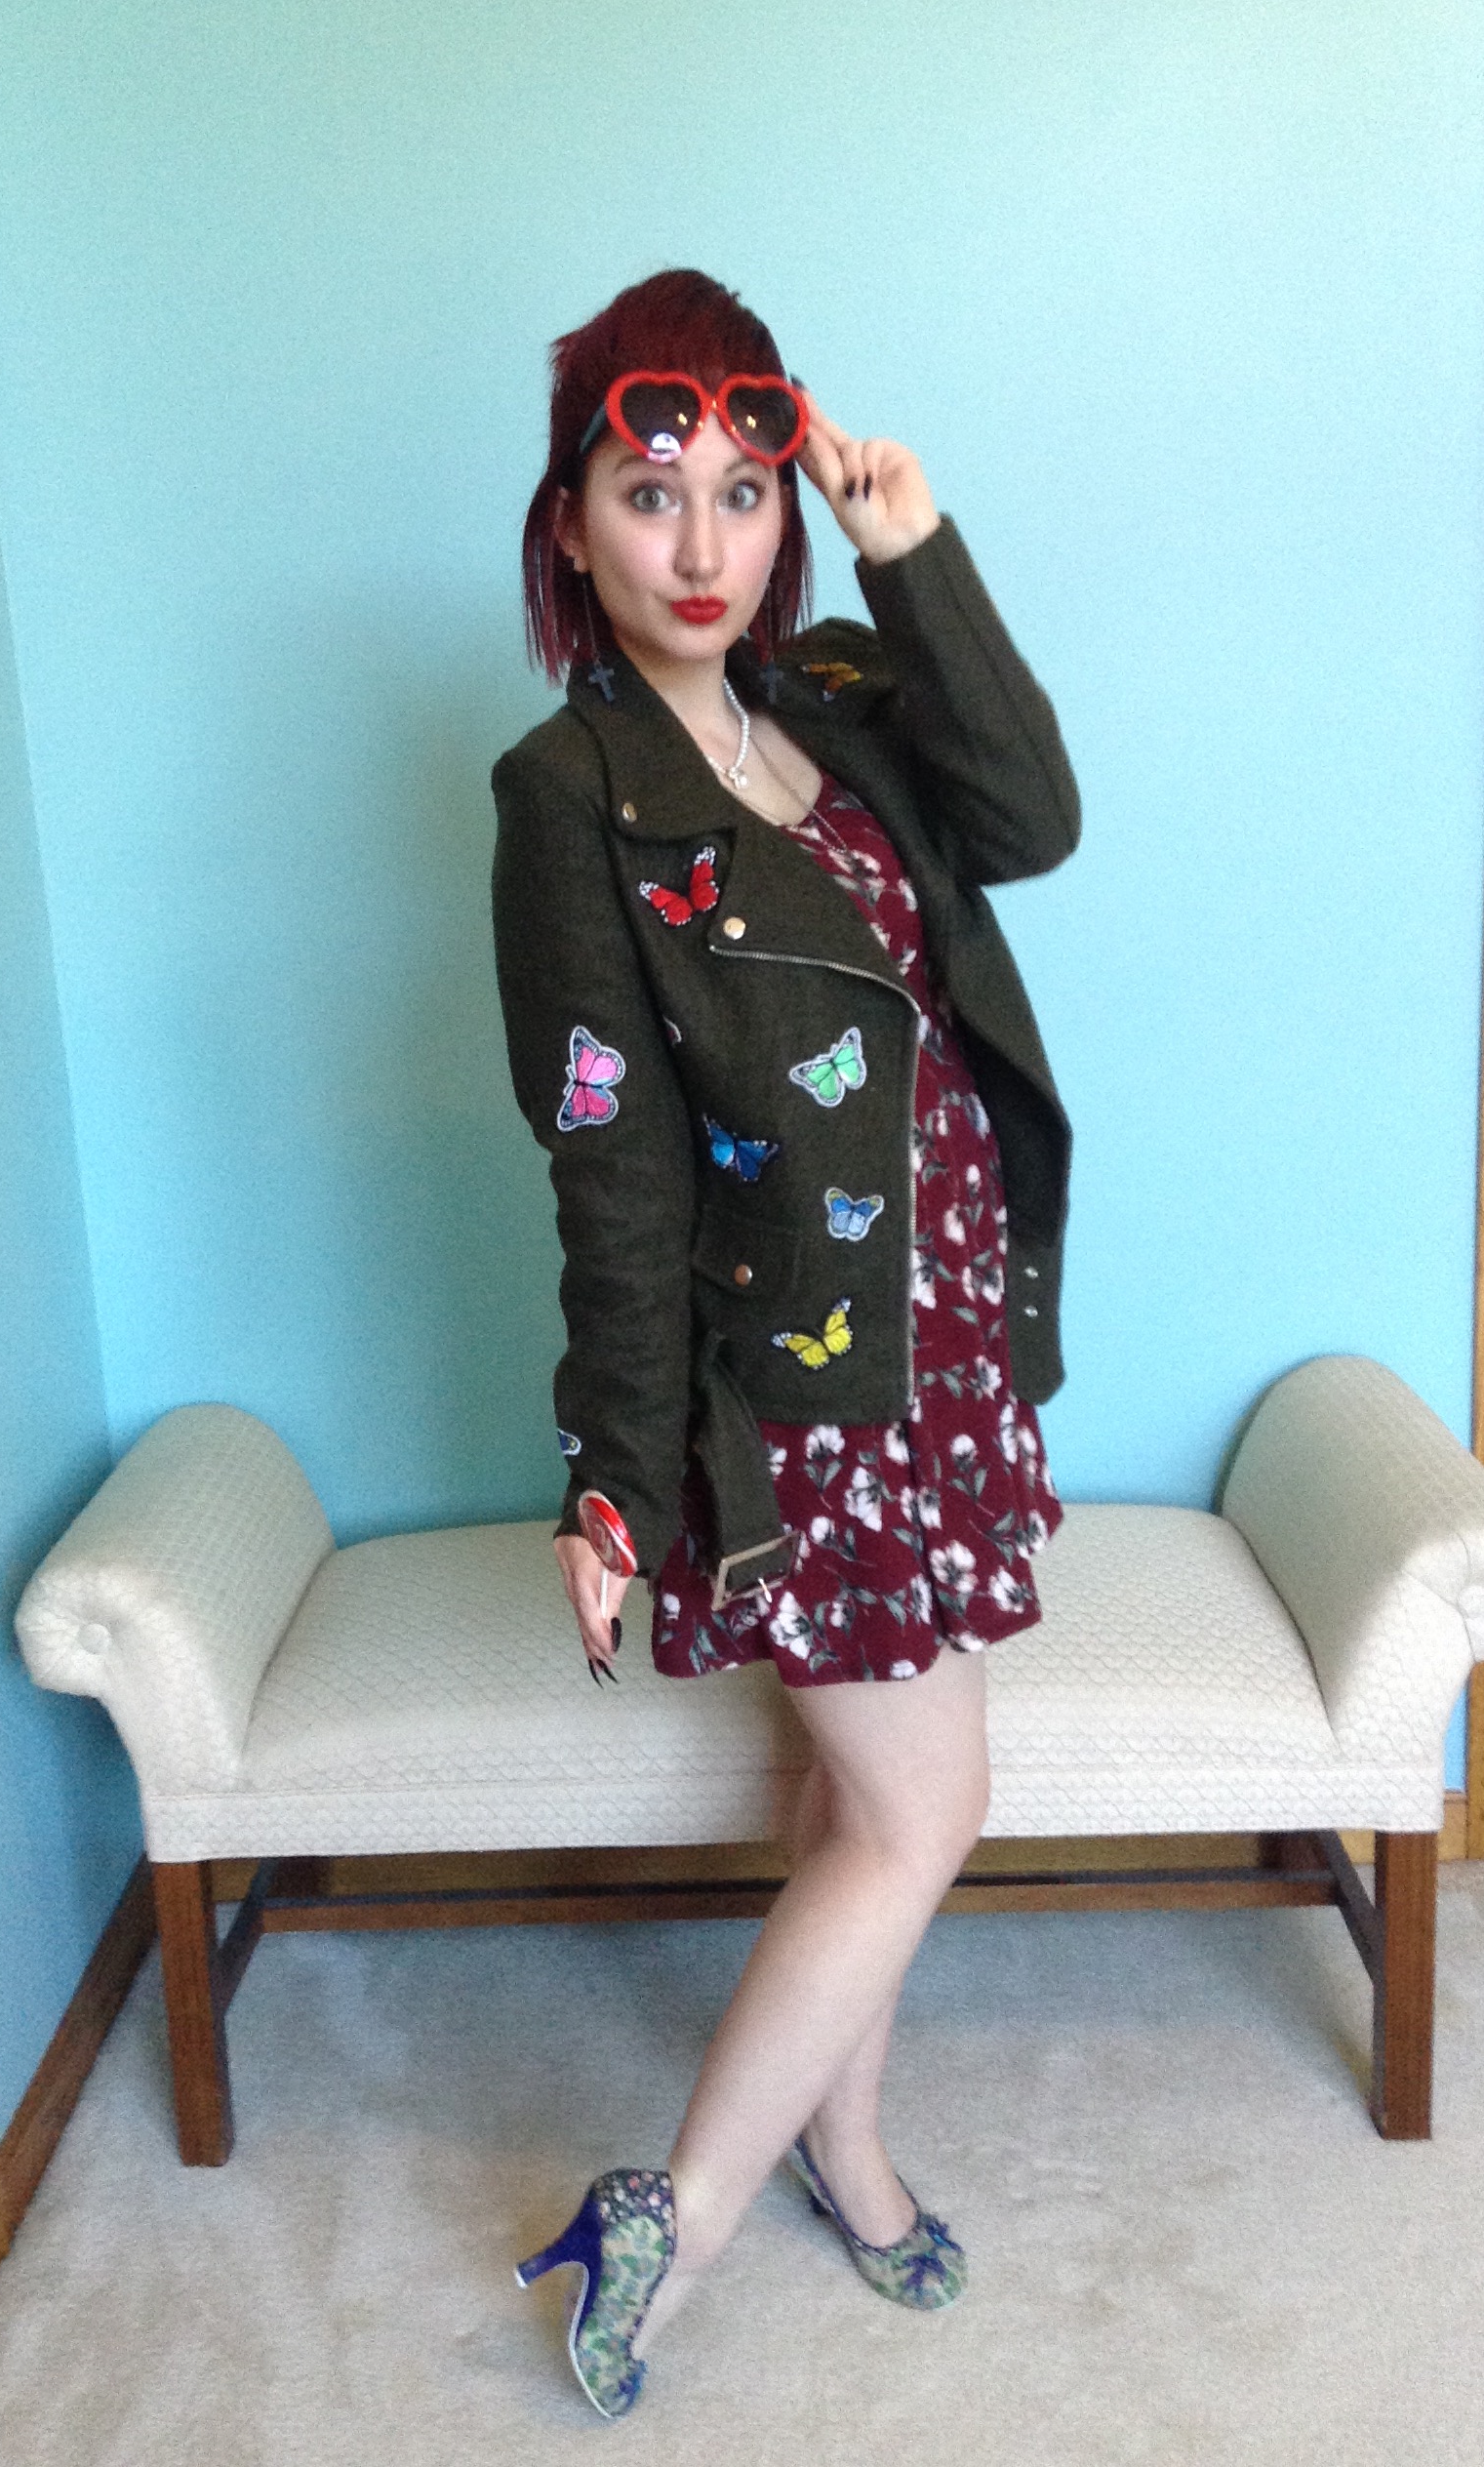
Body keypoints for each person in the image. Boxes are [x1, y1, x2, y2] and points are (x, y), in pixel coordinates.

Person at [493, 268, 1078, 2418]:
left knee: (860, 1806)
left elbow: (1032, 820)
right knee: (929, 1809)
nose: (702, 545)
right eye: (649, 495)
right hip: (801, 1397)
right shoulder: (566, 797)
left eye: (742, 495)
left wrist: (912, 553)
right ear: (572, 527)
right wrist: (612, 1473)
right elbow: (610, 1166)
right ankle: (677, 2214)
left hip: (949, 1354)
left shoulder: (836, 695)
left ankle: (849, 2143)